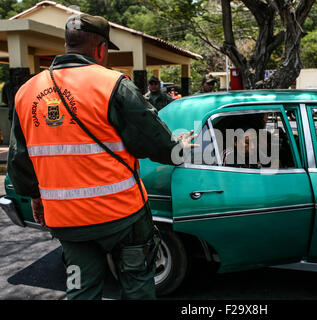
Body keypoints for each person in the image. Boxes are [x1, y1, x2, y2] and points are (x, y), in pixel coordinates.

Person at [7, 13, 196, 300]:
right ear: (100, 48)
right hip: (121, 216)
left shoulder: (26, 92)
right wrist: (180, 149)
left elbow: (20, 161)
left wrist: (35, 196)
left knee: (81, 289)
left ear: (68, 44)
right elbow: (152, 140)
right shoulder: (113, 84)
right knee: (137, 283)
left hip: (66, 221)